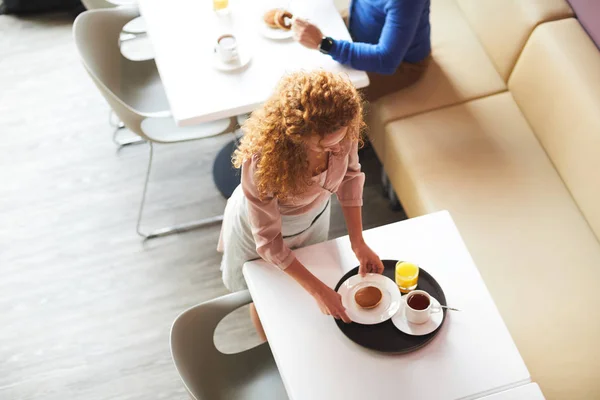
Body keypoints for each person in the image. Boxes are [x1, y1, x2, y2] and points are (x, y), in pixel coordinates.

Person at [218, 70, 384, 338]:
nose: (337, 148)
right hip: (260, 234)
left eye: (341, 139)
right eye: (324, 145)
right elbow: (270, 243)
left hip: (314, 220)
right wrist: (318, 291)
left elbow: (351, 176)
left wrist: (358, 242)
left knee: (311, 282)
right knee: (263, 298)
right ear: (298, 136)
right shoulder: (261, 162)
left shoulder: (341, 129)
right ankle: (272, 354)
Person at [292, 0, 431, 101]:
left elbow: (386, 60)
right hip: (357, 27)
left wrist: (324, 44)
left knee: (319, 98)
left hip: (401, 65)